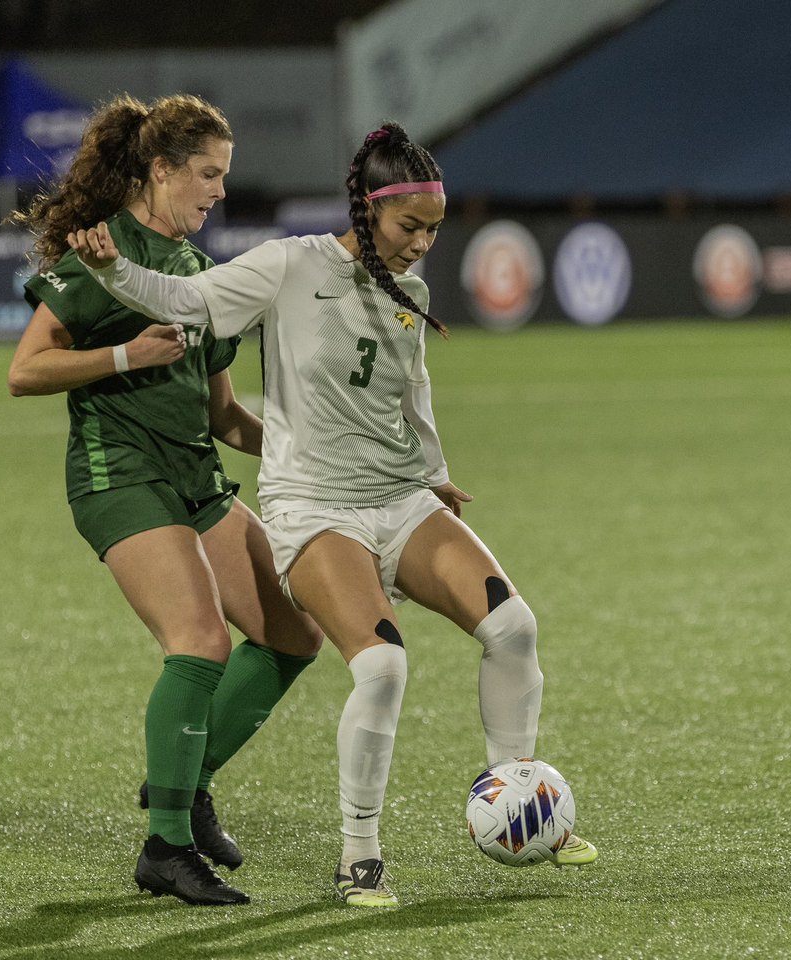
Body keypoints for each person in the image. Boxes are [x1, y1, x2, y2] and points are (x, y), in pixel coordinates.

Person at [66, 121, 598, 908]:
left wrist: (436, 477)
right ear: (367, 210)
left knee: (514, 627)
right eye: (408, 226)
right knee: (382, 665)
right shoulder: (289, 267)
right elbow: (186, 299)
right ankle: (360, 856)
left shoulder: (407, 293)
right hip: (315, 510)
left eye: (433, 230)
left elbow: (411, 396)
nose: (420, 244)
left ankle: (520, 802)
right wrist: (114, 273)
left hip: (400, 498)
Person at [7, 93, 323, 907]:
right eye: (208, 175)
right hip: (120, 475)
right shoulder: (98, 254)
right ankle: (166, 848)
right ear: (161, 169)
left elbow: (221, 415)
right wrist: (120, 357)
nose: (219, 192)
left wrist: (311, 447)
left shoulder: (195, 273)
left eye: (224, 176)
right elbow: (25, 371)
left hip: (192, 477)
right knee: (200, 641)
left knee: (293, 630)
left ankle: (185, 782)